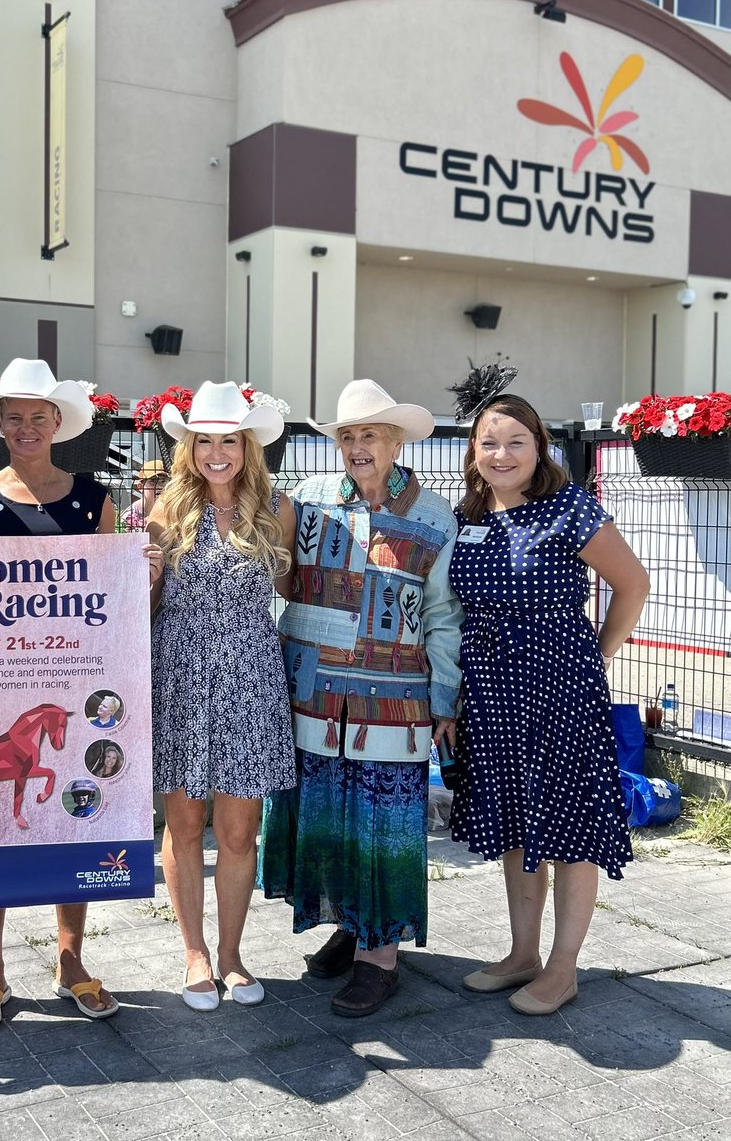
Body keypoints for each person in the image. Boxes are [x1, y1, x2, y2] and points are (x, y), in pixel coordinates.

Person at [0, 358, 164, 1030]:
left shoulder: (91, 497)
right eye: (13, 416)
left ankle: (71, 959)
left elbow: (112, 593)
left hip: (72, 682)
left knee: (75, 814)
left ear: (58, 424)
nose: (25, 427)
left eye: (38, 416)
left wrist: (146, 574)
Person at [259, 379, 463, 1017]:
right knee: (327, 814)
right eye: (346, 436)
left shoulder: (433, 516)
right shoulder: (309, 501)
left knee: (381, 822)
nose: (356, 446)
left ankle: (382, 960)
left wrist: (444, 699)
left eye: (368, 434)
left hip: (392, 701)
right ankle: (352, 924)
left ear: (396, 441)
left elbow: (442, 616)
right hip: (312, 693)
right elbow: (280, 582)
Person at [447, 383, 649, 1015]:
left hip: (560, 688)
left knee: (570, 827)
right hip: (490, 691)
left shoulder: (570, 509)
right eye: (490, 443)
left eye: (516, 442)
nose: (502, 454)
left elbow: (633, 584)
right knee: (514, 823)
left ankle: (563, 969)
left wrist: (598, 655)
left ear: (540, 447)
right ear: (473, 451)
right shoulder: (468, 520)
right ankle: (522, 954)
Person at [149, 380, 297, 1011]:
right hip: (180, 679)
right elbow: (147, 607)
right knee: (183, 824)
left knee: (240, 831)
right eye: (204, 440)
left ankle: (232, 955)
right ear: (189, 446)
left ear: (247, 446)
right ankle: (194, 952)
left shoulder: (278, 512)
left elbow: (302, 593)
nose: (216, 452)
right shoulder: (163, 512)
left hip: (250, 682)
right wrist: (146, 578)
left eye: (228, 440)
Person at [122, 460, 169, 531]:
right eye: (153, 481)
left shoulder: (172, 509)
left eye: (163, 481)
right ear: (141, 487)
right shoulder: (130, 515)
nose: (159, 486)